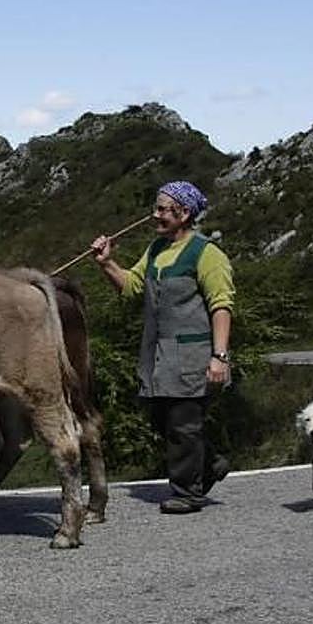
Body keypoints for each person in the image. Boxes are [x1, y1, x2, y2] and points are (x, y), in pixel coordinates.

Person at [90, 180, 234, 514]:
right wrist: (106, 263)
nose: (155, 215)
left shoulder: (206, 253)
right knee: (160, 420)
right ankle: (209, 463)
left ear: (184, 214)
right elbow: (131, 286)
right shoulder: (156, 250)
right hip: (157, 357)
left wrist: (219, 356)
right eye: (156, 208)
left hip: (193, 355)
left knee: (183, 423)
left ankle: (187, 492)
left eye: (162, 209)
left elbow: (221, 305)